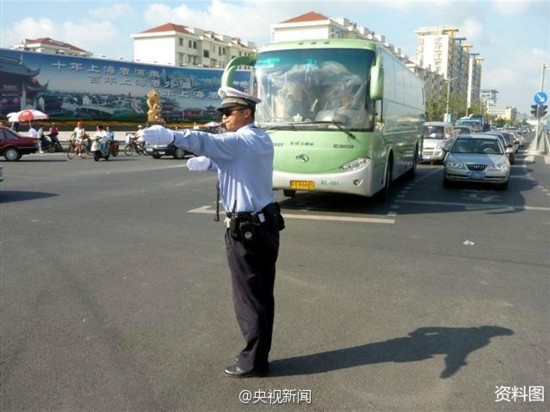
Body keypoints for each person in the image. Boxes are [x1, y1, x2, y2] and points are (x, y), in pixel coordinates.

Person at [143, 86, 284, 378]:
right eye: (221, 112)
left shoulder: (241, 140)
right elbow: (239, 165)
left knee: (249, 298)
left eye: (228, 112)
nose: (223, 117)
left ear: (246, 113)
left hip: (247, 229)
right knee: (261, 295)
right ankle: (259, 357)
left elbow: (204, 140)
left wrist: (170, 135)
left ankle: (253, 363)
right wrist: (210, 164)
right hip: (265, 224)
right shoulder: (259, 138)